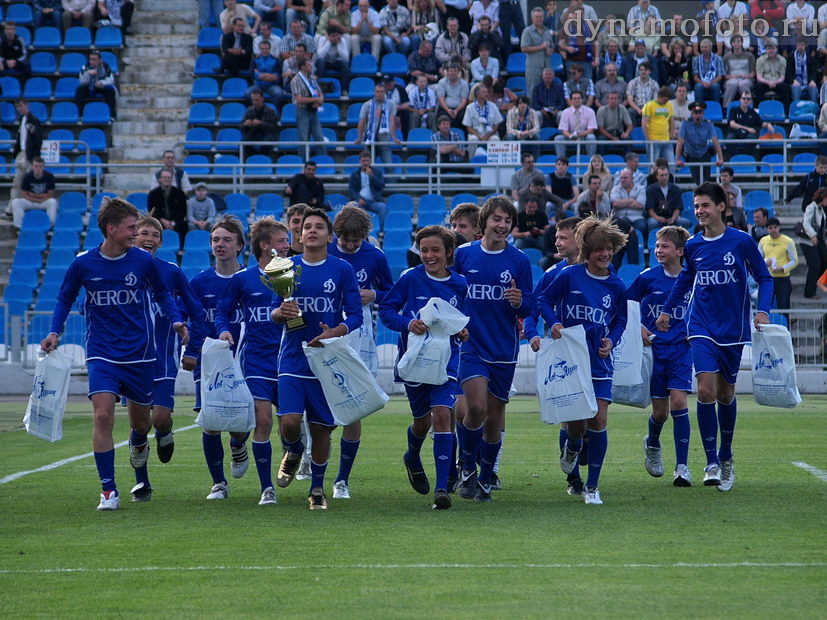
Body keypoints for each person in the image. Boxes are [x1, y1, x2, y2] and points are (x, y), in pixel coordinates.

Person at [40, 198, 188, 510]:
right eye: (132, 227)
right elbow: (65, 298)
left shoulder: (142, 262)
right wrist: (54, 330)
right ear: (111, 229)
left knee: (141, 424)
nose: (137, 233)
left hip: (140, 354)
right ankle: (108, 490)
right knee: (103, 414)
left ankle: (141, 442)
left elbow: (162, 293)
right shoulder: (83, 263)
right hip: (102, 353)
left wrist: (175, 318)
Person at [656, 182, 773, 492]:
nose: (700, 211)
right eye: (696, 206)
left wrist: (763, 310)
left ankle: (726, 456)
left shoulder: (742, 242)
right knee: (705, 390)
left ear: (723, 206)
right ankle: (710, 463)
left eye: (705, 205)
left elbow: (764, 276)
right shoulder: (693, 245)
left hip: (733, 329)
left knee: (725, 394)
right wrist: (667, 311)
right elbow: (684, 281)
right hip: (701, 326)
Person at [270, 208, 362, 510]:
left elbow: (357, 315)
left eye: (319, 227)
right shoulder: (285, 268)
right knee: (290, 423)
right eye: (306, 227)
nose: (311, 231)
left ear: (329, 235)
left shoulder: (342, 269)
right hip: (293, 359)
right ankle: (294, 451)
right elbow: (274, 312)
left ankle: (317, 488)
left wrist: (334, 331)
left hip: (325, 362)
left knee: (322, 428)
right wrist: (280, 313)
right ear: (299, 234)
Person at [539, 216, 628, 505]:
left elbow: (621, 320)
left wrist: (611, 340)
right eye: (599, 249)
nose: (605, 254)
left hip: (599, 362)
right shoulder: (568, 276)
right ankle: (573, 447)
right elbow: (543, 301)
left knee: (599, 419)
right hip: (571, 363)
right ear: (587, 251)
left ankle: (592, 486)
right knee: (576, 426)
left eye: (609, 249)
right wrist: (553, 323)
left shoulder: (616, 285)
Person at [379, 226, 468, 509]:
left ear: (448, 253)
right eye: (424, 250)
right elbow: (386, 311)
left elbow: (465, 320)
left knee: (443, 414)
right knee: (422, 421)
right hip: (415, 362)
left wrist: (464, 332)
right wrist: (407, 323)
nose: (429, 256)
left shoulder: (460, 285)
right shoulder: (410, 279)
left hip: (447, 362)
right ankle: (412, 456)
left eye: (435, 250)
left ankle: (442, 489)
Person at [453, 196, 533, 503]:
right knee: (476, 409)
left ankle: (485, 477)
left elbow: (530, 303)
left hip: (504, 347)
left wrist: (518, 301)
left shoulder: (519, 261)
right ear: (484, 221)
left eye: (507, 221)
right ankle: (466, 467)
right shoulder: (463, 255)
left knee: (494, 417)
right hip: (471, 344)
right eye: (496, 219)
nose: (501, 225)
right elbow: (450, 290)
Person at [214, 218, 289, 506]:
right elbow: (223, 310)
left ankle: (293, 456)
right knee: (263, 420)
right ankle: (266, 488)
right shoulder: (243, 279)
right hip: (256, 359)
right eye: (282, 241)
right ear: (264, 245)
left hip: (288, 358)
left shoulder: (292, 274)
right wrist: (223, 330)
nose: (287, 246)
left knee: (291, 427)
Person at [129, 217, 205, 499]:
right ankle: (141, 482)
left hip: (163, 358)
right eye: (143, 233)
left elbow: (195, 310)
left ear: (161, 242)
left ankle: (165, 433)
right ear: (134, 237)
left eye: (155, 234)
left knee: (159, 419)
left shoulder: (171, 272)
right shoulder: (120, 270)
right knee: (139, 424)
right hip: (130, 359)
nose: (149, 237)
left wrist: (192, 348)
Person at [327, 206, 393, 499]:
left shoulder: (375, 256)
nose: (351, 246)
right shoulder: (324, 252)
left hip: (360, 333)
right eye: (345, 241)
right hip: (325, 330)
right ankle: (307, 454)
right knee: (320, 402)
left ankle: (342, 479)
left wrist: (375, 294)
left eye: (356, 241)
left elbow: (392, 292)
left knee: (354, 405)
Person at [183, 216, 246, 499]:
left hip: (244, 359)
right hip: (208, 361)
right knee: (210, 422)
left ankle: (238, 444)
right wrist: (189, 351)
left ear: (240, 245)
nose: (220, 245)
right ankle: (218, 482)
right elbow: (192, 320)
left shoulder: (251, 279)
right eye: (215, 240)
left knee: (244, 418)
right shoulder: (200, 281)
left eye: (226, 240)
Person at [627, 226, 693, 486]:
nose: (658, 251)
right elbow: (627, 305)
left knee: (679, 402)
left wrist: (694, 330)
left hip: (680, 350)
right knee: (660, 413)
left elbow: (702, 306)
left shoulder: (692, 278)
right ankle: (652, 443)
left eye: (664, 246)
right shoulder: (647, 277)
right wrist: (640, 327)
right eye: (656, 246)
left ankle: (682, 467)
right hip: (654, 352)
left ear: (680, 251)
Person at [675, 101, 724, 186]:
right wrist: (678, 159)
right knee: (698, 180)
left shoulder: (708, 123)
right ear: (692, 114)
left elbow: (715, 141)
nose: (698, 115)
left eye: (700, 113)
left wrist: (720, 158)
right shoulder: (685, 123)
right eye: (696, 113)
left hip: (704, 153)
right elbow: (680, 141)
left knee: (706, 179)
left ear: (703, 113)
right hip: (691, 154)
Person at [355, 82, 400, 169]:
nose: (379, 94)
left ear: (385, 93)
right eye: (378, 91)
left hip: (384, 141)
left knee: (389, 167)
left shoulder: (391, 104)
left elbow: (392, 121)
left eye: (381, 92)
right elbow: (361, 122)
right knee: (366, 167)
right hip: (369, 141)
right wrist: (359, 138)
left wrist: (394, 137)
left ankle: (391, 183)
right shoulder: (367, 105)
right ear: (374, 92)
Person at [758, 218, 798, 312]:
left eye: (775, 227)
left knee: (784, 307)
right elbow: (758, 258)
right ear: (767, 229)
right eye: (770, 228)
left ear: (779, 228)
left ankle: (785, 325)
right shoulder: (763, 240)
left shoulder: (788, 241)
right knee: (764, 307)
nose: (773, 230)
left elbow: (794, 260)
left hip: (783, 279)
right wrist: (765, 262)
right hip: (768, 278)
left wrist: (782, 268)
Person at [291, 56, 326, 157]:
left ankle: (323, 161)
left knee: (319, 137)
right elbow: (298, 99)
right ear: (302, 67)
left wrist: (320, 101)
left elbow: (319, 93)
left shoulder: (311, 78)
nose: (311, 66)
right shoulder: (295, 80)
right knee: (303, 138)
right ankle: (302, 162)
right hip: (302, 110)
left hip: (313, 110)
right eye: (308, 64)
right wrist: (315, 100)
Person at [10, 156, 57, 229]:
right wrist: (40, 197)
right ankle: (20, 227)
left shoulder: (49, 176)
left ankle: (50, 226)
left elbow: (50, 195)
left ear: (43, 167)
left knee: (52, 202)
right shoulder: (27, 176)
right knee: (15, 202)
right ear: (32, 166)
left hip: (43, 201)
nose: (38, 168)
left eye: (40, 166)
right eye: (36, 166)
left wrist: (33, 195)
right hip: (31, 201)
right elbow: (24, 195)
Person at [726, 91, 774, 156]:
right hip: (735, 132)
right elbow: (732, 124)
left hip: (747, 135)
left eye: (748, 99)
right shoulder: (734, 110)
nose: (746, 100)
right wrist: (748, 129)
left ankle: (746, 157)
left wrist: (768, 124)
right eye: (744, 98)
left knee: (753, 139)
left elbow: (761, 123)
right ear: (740, 99)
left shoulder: (752, 112)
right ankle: (736, 157)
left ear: (750, 101)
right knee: (729, 139)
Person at [148, 170, 189, 247]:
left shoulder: (179, 193)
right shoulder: (153, 194)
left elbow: (183, 211)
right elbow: (152, 210)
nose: (167, 179)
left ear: (172, 179)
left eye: (169, 177)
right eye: (164, 177)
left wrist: (173, 222)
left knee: (184, 226)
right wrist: (162, 220)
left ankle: (181, 249)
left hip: (176, 221)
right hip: (159, 221)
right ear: (160, 179)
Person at [347, 151, 386, 232]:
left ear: (370, 161)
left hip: (373, 201)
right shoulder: (355, 174)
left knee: (382, 207)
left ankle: (381, 231)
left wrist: (372, 176)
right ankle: (355, 231)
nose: (365, 163)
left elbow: (381, 186)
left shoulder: (377, 172)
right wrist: (358, 198)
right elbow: (351, 189)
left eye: (367, 161)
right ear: (360, 161)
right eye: (363, 161)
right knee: (352, 208)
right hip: (360, 201)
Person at [521, 7, 554, 100]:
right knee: (533, 91)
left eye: (540, 17)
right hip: (533, 67)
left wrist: (550, 50)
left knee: (547, 91)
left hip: (547, 66)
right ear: (532, 18)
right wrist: (541, 47)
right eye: (536, 17)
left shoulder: (547, 31)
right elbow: (524, 48)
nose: (539, 19)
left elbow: (552, 46)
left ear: (543, 18)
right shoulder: (527, 31)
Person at [800, 187, 827, 298]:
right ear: (822, 197)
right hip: (809, 241)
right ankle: (809, 292)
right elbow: (806, 223)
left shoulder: (820, 209)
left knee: (824, 260)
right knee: (815, 265)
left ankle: (819, 281)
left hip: (819, 240)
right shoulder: (811, 207)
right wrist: (812, 235)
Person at [462, 83, 502, 158]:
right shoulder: (470, 108)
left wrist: (488, 135)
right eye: (484, 92)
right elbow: (468, 127)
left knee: (495, 139)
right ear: (478, 95)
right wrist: (480, 137)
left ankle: (495, 163)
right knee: (472, 139)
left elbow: (497, 124)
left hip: (490, 134)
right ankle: (472, 163)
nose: (487, 94)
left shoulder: (492, 106)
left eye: (487, 92)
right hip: (476, 134)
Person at [554, 91, 597, 159]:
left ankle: (591, 161)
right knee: (558, 138)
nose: (577, 100)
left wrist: (579, 135)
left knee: (591, 137)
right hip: (570, 137)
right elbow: (564, 130)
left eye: (578, 98)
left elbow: (591, 130)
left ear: (582, 100)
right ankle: (561, 161)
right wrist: (571, 136)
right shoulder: (565, 112)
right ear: (571, 100)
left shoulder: (590, 111)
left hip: (584, 137)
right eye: (574, 98)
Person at [75, 51, 117, 120]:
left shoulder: (105, 67)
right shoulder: (85, 67)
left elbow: (111, 79)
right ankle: (81, 115)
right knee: (80, 90)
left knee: (110, 90)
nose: (91, 61)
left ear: (99, 60)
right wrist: (88, 74)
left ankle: (111, 115)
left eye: (94, 59)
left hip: (101, 86)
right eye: (90, 59)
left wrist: (102, 83)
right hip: (89, 86)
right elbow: (82, 81)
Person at [646, 166, 689, 231]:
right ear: (657, 176)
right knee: (653, 223)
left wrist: (673, 218)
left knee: (685, 222)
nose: (664, 177)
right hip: (656, 217)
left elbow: (677, 207)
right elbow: (650, 209)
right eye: (662, 175)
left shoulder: (675, 188)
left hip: (672, 216)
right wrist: (658, 218)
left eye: (666, 175)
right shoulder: (650, 189)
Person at [641, 87, 676, 167]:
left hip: (666, 140)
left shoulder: (669, 105)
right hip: (654, 141)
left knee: (671, 166)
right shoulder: (649, 105)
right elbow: (644, 124)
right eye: (664, 100)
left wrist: (671, 136)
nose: (666, 102)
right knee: (654, 167)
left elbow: (671, 121)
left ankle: (671, 179)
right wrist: (649, 140)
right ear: (659, 96)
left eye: (667, 100)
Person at [611, 168, 647, 238]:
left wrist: (622, 202)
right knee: (621, 224)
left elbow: (640, 205)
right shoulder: (615, 189)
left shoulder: (641, 188)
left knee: (642, 225)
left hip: (637, 217)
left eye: (625, 178)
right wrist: (631, 200)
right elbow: (615, 204)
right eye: (621, 178)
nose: (622, 180)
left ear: (632, 178)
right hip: (620, 217)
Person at [755, 38, 790, 108]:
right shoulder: (760, 60)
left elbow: (782, 77)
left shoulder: (782, 60)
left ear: (776, 49)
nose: (771, 50)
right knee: (758, 86)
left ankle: (785, 111)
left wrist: (775, 82)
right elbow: (759, 77)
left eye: (773, 48)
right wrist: (768, 82)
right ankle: (760, 109)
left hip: (777, 82)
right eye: (769, 48)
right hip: (765, 82)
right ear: (766, 49)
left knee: (786, 87)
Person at [722, 35, 755, 108]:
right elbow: (724, 75)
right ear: (731, 44)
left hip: (746, 79)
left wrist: (747, 76)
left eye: (738, 41)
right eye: (734, 42)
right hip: (731, 78)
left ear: (742, 43)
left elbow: (753, 73)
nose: (736, 43)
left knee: (742, 84)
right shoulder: (726, 57)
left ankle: (749, 107)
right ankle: (726, 107)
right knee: (732, 84)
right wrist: (732, 77)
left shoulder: (749, 56)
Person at [596, 91, 632, 155]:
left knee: (628, 139)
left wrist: (626, 133)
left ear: (618, 100)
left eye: (615, 98)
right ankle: (602, 160)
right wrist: (612, 138)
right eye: (611, 98)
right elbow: (600, 129)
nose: (613, 100)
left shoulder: (622, 109)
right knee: (602, 140)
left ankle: (627, 160)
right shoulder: (601, 110)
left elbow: (629, 125)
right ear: (607, 100)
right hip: (606, 134)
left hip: (619, 133)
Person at [786, 37, 820, 104]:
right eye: (798, 45)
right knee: (795, 88)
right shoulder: (790, 58)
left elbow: (814, 71)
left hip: (807, 82)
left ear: (805, 46)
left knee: (813, 89)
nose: (800, 47)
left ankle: (814, 109)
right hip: (796, 82)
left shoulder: (810, 58)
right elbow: (788, 72)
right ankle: (795, 109)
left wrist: (812, 80)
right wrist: (793, 80)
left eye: (801, 45)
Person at [435, 63, 470, 129]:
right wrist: (448, 110)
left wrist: (456, 110)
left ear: (458, 72)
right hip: (445, 108)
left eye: (455, 71)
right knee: (442, 117)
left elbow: (464, 100)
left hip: (460, 109)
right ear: (447, 72)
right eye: (451, 71)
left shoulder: (464, 84)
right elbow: (441, 99)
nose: (453, 73)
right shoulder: (441, 82)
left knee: (465, 116)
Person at [626, 61, 659, 127]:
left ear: (650, 71)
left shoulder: (654, 84)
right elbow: (629, 100)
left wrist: (647, 110)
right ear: (638, 71)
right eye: (641, 70)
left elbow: (656, 100)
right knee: (630, 112)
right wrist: (638, 110)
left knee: (657, 111)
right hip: (636, 107)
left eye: (645, 70)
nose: (643, 72)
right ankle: (634, 133)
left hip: (649, 108)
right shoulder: (632, 83)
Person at [692, 38, 724, 103]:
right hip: (701, 81)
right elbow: (695, 77)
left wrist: (710, 83)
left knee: (715, 86)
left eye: (706, 47)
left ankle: (716, 107)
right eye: (702, 47)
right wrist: (703, 82)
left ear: (710, 48)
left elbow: (719, 76)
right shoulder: (696, 59)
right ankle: (699, 107)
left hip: (714, 81)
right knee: (698, 86)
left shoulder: (718, 59)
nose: (703, 49)